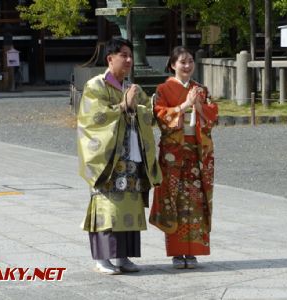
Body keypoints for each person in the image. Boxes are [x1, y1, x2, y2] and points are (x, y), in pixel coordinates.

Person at [77, 38, 162, 275]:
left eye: (130, 55)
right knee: (108, 207)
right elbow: (93, 118)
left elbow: (150, 114)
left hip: (131, 156)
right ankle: (103, 258)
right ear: (110, 58)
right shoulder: (96, 86)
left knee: (129, 207)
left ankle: (123, 256)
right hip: (109, 158)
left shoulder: (131, 87)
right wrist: (123, 106)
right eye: (123, 55)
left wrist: (141, 106)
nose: (128, 60)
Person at [149, 46, 218, 269]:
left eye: (189, 62)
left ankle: (194, 251)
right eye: (182, 62)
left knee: (196, 200)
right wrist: (185, 106)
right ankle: (178, 253)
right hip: (174, 153)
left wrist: (198, 104)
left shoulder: (201, 89)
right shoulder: (163, 88)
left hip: (197, 152)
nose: (187, 66)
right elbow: (160, 116)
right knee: (175, 199)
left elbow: (212, 114)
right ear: (172, 65)